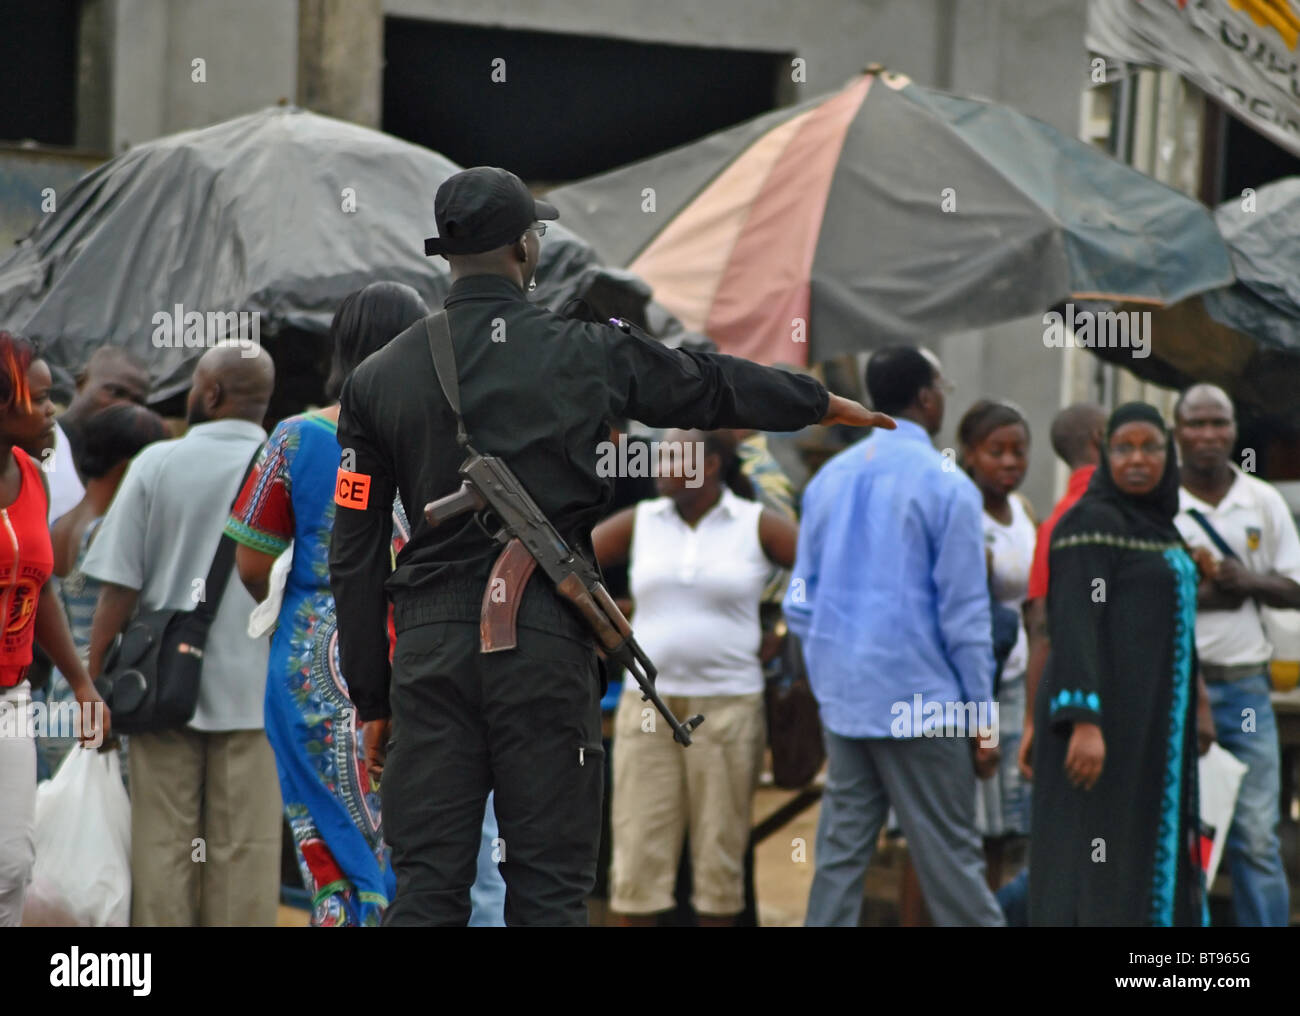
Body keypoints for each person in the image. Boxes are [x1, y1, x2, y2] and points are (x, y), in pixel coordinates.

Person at [329, 165, 890, 927]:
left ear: (446, 254)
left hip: (428, 658)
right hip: (546, 643)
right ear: (526, 246)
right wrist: (817, 401)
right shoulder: (586, 350)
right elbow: (707, 385)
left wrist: (371, 693)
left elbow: (354, 554)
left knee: (426, 894)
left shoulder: (375, 382)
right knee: (551, 892)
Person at [227, 282, 506, 927]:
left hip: (314, 669)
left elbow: (251, 561)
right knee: (427, 838)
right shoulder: (459, 438)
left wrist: (313, 597)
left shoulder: (295, 439)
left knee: (329, 845)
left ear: (341, 346)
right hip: (428, 651)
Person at [785, 345, 1004, 927]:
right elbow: (964, 618)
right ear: (927, 398)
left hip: (848, 703)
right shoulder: (948, 485)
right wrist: (984, 720)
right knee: (952, 865)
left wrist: (834, 673)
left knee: (839, 860)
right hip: (923, 705)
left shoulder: (828, 480)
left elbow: (799, 602)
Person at [85, 344, 281, 927]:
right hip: (258, 698)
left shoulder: (155, 463)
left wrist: (93, 681)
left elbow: (118, 586)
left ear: (212, 393)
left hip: (160, 691)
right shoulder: (283, 463)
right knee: (245, 853)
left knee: (162, 849)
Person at [593, 430, 797, 926]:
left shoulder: (755, 524)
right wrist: (608, 617)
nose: (658, 466)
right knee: (639, 860)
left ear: (708, 467)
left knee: (718, 864)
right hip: (647, 708)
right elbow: (570, 566)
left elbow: (822, 572)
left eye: (671, 457)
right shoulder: (641, 522)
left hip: (728, 709)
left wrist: (785, 627)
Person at [1028, 402, 1205, 927]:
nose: (1137, 460)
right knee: (1095, 851)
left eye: (1150, 447)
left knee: (1139, 842)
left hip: (1147, 723)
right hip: (1101, 725)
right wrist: (1084, 721)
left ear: (1168, 454)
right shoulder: (1089, 523)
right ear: (1105, 453)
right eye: (1123, 447)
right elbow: (1075, 622)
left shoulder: (1160, 528)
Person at [1173, 383, 1299, 927]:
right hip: (1175, 688)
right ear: (1177, 431)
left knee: (1254, 834)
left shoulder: (1262, 500)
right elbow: (1144, 595)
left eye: (1219, 423)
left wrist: (1243, 580)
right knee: (1176, 834)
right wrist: (1212, 590)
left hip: (1246, 687)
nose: (1208, 435)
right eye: (1196, 423)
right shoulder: (1161, 503)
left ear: (1233, 430)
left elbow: (1294, 586)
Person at [0, 331, 109, 927]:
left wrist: (82, 682)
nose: (51, 413)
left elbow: (39, 588)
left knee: (14, 864)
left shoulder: (32, 477)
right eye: (38, 400)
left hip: (13, 698)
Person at [40, 403, 168, 779]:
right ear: (129, 467)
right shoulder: (109, 533)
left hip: (58, 705)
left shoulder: (58, 524)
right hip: (101, 709)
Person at [956, 399, 1036, 887]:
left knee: (1006, 828)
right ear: (968, 454)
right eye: (995, 451)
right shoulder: (961, 512)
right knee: (973, 830)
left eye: (1018, 451)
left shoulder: (1022, 512)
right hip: (975, 689)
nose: (1009, 462)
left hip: (1018, 682)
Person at [49, 347, 151, 525]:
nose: (124, 406)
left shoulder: (128, 471)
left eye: (137, 402)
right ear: (82, 383)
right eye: (116, 392)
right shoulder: (34, 443)